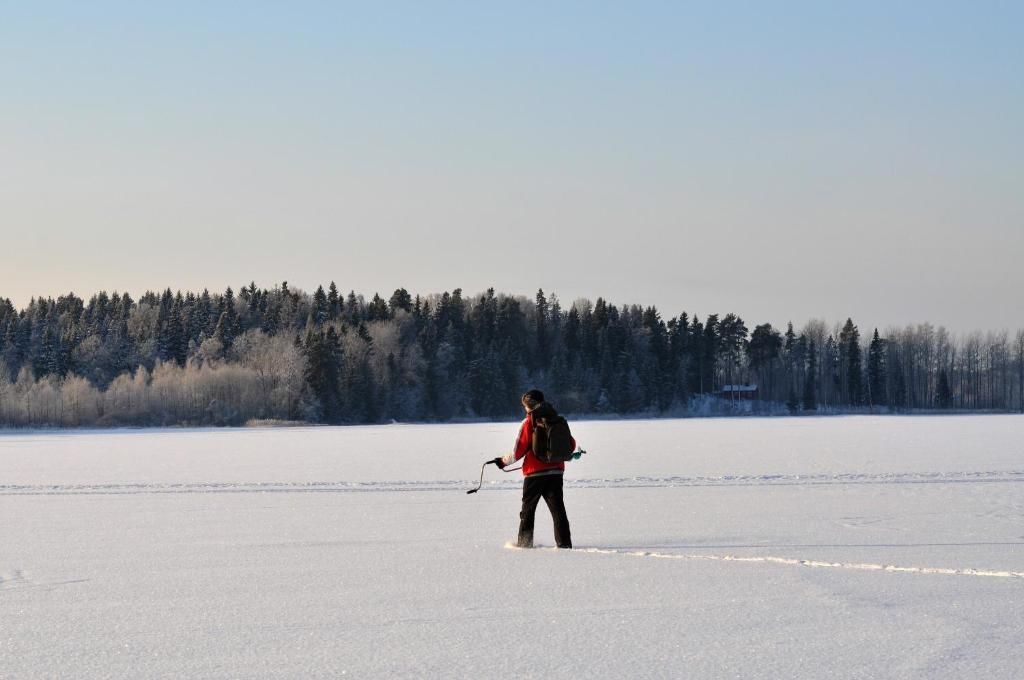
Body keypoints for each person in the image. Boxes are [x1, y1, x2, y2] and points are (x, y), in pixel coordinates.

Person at [492, 389, 573, 549]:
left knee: (528, 511)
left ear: (528, 405)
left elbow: (518, 451)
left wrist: (502, 462)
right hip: (556, 471)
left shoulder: (529, 421)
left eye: (524, 406)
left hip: (534, 474)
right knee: (558, 511)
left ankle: (524, 544)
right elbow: (571, 444)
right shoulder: (556, 419)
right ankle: (564, 544)